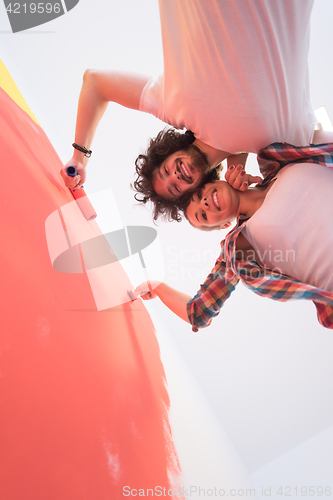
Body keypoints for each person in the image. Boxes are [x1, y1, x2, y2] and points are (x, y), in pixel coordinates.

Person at [61, 0, 320, 221]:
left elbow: (95, 82)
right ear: (198, 189)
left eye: (165, 171)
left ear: (166, 153)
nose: (175, 176)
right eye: (175, 188)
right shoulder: (278, 146)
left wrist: (79, 158)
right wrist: (239, 186)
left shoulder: (173, 105)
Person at [136, 142, 333, 330]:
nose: (204, 203)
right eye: (203, 215)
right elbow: (199, 313)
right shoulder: (240, 245)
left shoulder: (276, 159)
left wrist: (238, 166)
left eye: (198, 196)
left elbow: (241, 126)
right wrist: (158, 287)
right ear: (225, 225)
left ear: (215, 181)